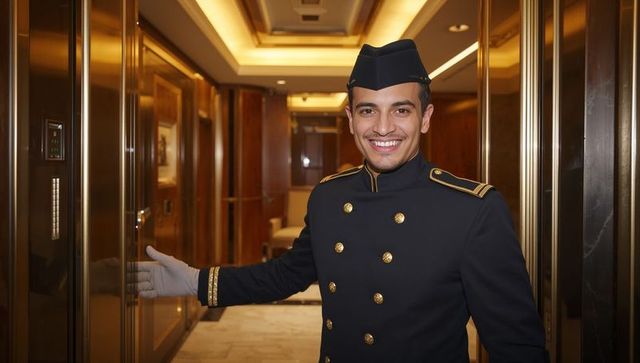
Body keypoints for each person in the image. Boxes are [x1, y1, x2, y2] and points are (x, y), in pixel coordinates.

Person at [135, 39, 546, 362]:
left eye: (401, 110)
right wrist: (197, 281)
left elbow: (515, 344)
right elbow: (286, 275)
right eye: (368, 111)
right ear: (351, 119)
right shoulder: (330, 196)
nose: (383, 127)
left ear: (425, 117)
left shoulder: (472, 209)